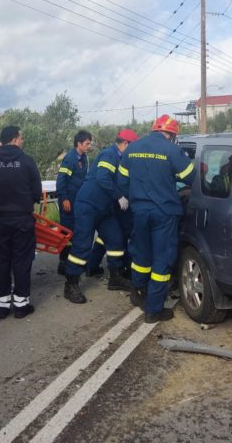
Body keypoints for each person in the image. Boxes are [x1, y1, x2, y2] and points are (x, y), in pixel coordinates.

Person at [119, 115, 196, 323]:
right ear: (171, 134)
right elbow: (191, 177)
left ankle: (137, 293)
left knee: (141, 255)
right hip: (164, 213)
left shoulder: (133, 148)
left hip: (139, 211)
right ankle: (153, 310)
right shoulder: (172, 150)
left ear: (153, 129)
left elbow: (122, 180)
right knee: (161, 259)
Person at [63, 129, 139, 304]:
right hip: (88, 206)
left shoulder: (121, 157)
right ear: (126, 144)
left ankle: (116, 277)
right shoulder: (109, 154)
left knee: (116, 240)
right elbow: (103, 178)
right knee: (82, 245)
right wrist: (119, 196)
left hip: (104, 209)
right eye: (133, 146)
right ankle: (71, 284)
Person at [0, 126, 42, 319]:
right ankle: (21, 305)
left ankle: (1, 305)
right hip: (22, 220)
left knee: (1, 261)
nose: (23, 141)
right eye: (21, 138)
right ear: (14, 139)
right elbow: (37, 193)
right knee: (22, 261)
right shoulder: (27, 161)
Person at [55, 130, 93, 275]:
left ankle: (75, 261)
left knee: (77, 232)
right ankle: (63, 263)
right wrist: (64, 198)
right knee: (67, 233)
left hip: (78, 201)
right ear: (79, 144)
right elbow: (61, 179)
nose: (89, 146)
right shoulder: (70, 159)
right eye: (87, 144)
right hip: (68, 201)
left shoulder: (83, 158)